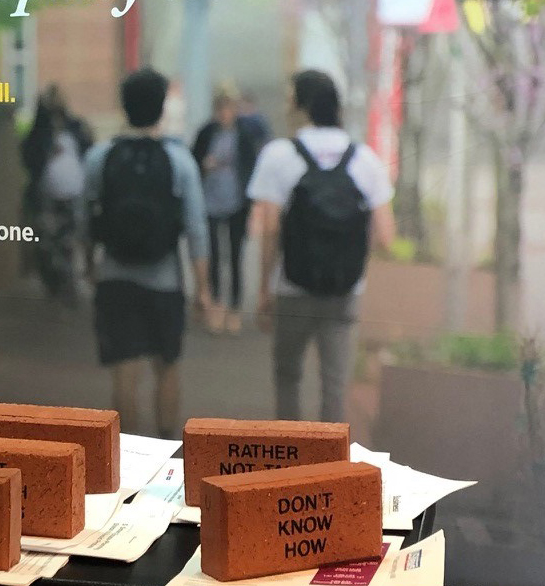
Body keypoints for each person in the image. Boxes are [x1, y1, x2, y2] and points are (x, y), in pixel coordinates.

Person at [248, 69, 394, 423]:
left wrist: (264, 288)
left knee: (288, 376)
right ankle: (330, 455)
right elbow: (387, 236)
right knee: (335, 386)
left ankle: (289, 452)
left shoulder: (279, 155)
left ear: (301, 106)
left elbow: (269, 229)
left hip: (292, 287)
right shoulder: (365, 159)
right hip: (345, 291)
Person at [84, 67, 216, 436]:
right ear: (161, 108)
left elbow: (85, 219)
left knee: (124, 372)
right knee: (167, 367)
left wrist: (89, 264)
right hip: (165, 281)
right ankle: (165, 444)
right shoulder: (179, 160)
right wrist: (203, 289)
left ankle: (126, 455)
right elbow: (196, 229)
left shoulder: (100, 157)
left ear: (124, 107)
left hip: (115, 278)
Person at [192, 87, 263, 332]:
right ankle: (215, 304)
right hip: (210, 199)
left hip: (236, 201)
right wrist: (204, 165)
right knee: (212, 255)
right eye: (220, 110)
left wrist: (252, 203)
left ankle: (235, 306)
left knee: (235, 256)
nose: (224, 114)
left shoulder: (244, 135)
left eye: (228, 109)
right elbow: (194, 160)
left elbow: (251, 168)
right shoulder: (206, 133)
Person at [20, 86, 91, 302]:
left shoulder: (75, 128)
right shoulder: (39, 133)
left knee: (69, 242)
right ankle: (53, 284)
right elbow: (29, 158)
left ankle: (68, 286)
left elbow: (88, 150)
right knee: (46, 244)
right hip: (46, 199)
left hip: (73, 197)